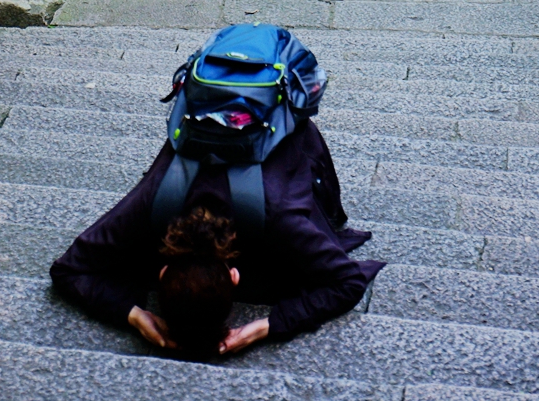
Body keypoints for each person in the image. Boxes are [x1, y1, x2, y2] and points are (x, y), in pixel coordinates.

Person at [49, 119, 383, 359]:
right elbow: (65, 271)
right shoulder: (153, 202)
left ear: (162, 271)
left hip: (291, 135)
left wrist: (267, 325)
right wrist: (133, 314)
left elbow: (348, 282)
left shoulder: (279, 216)